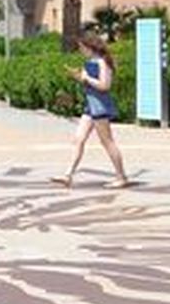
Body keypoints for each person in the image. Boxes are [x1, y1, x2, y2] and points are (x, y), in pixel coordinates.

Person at [50, 34, 130, 189]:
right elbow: (89, 83)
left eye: (82, 47)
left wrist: (86, 78)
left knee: (107, 142)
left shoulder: (102, 63)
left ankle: (121, 176)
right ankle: (68, 175)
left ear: (90, 47)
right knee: (78, 139)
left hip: (100, 106)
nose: (80, 51)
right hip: (90, 106)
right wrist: (79, 77)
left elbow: (105, 85)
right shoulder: (90, 63)